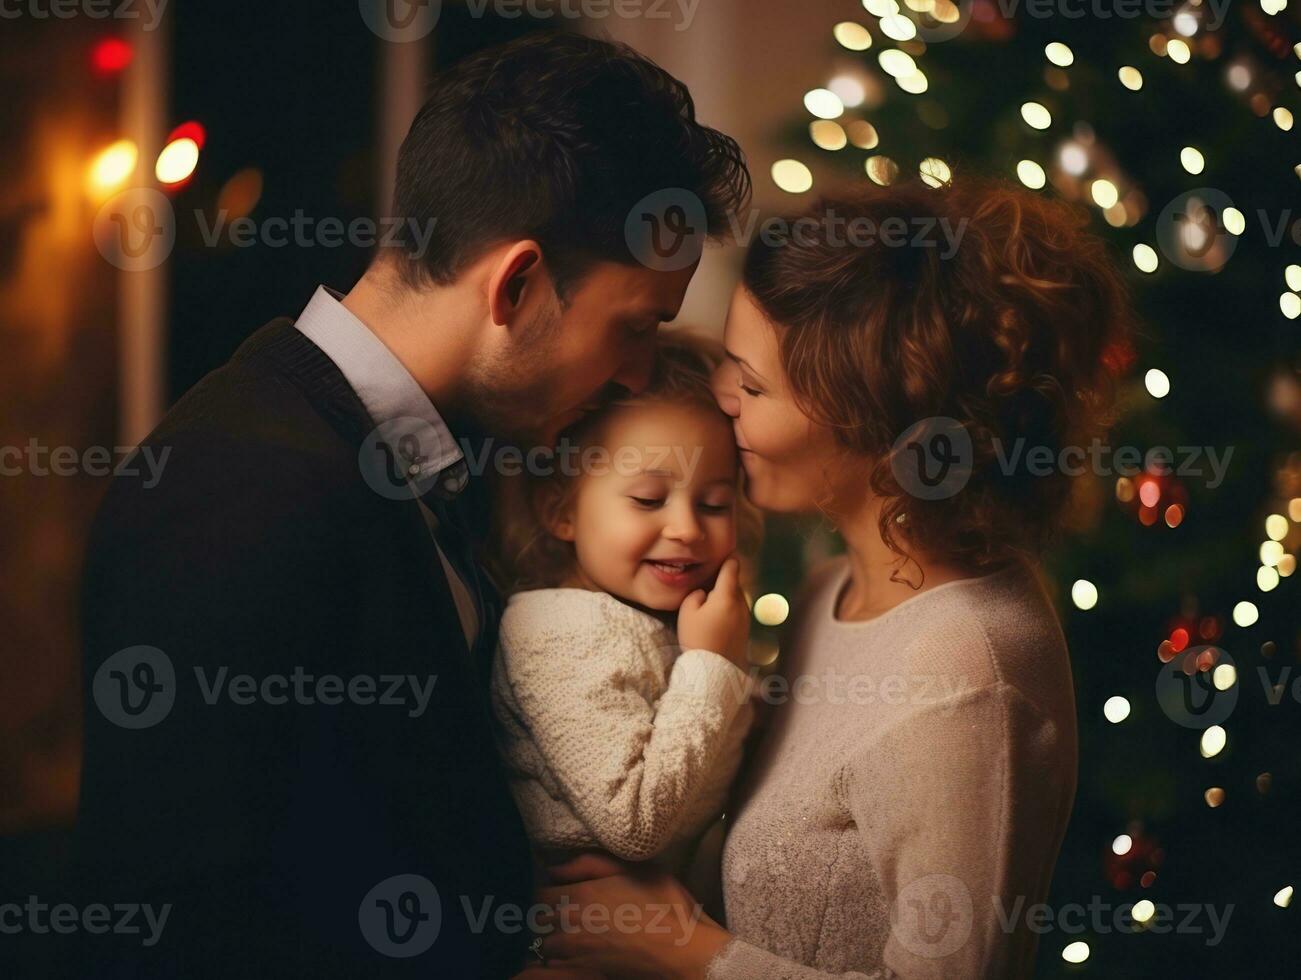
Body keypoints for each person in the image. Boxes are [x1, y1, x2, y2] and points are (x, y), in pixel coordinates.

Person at [76, 31, 748, 979]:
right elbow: (173, 926)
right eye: (632, 328)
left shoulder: (433, 450)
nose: (637, 374)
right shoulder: (241, 484)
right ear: (515, 284)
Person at [525, 178, 1134, 979]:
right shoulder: (831, 591)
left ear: (878, 425)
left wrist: (684, 952)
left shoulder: (965, 676)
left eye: (752, 385)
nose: (721, 397)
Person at [489, 337, 756, 875]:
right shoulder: (555, 628)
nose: (685, 529)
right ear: (561, 511)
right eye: (648, 500)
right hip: (581, 936)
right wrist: (714, 664)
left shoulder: (662, 621)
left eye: (713, 504)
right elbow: (634, 824)